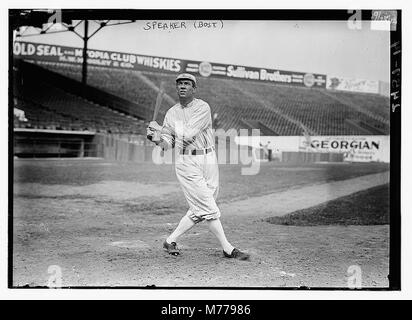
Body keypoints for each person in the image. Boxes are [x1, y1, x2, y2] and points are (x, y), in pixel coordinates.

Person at [146, 73, 250, 260]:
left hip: (208, 158)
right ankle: (227, 248)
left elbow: (188, 134)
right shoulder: (171, 113)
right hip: (186, 163)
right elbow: (168, 145)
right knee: (208, 208)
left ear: (194, 89)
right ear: (176, 89)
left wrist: (160, 129)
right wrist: (156, 138)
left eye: (187, 84)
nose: (183, 86)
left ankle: (170, 240)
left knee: (201, 206)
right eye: (180, 84)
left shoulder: (203, 107)